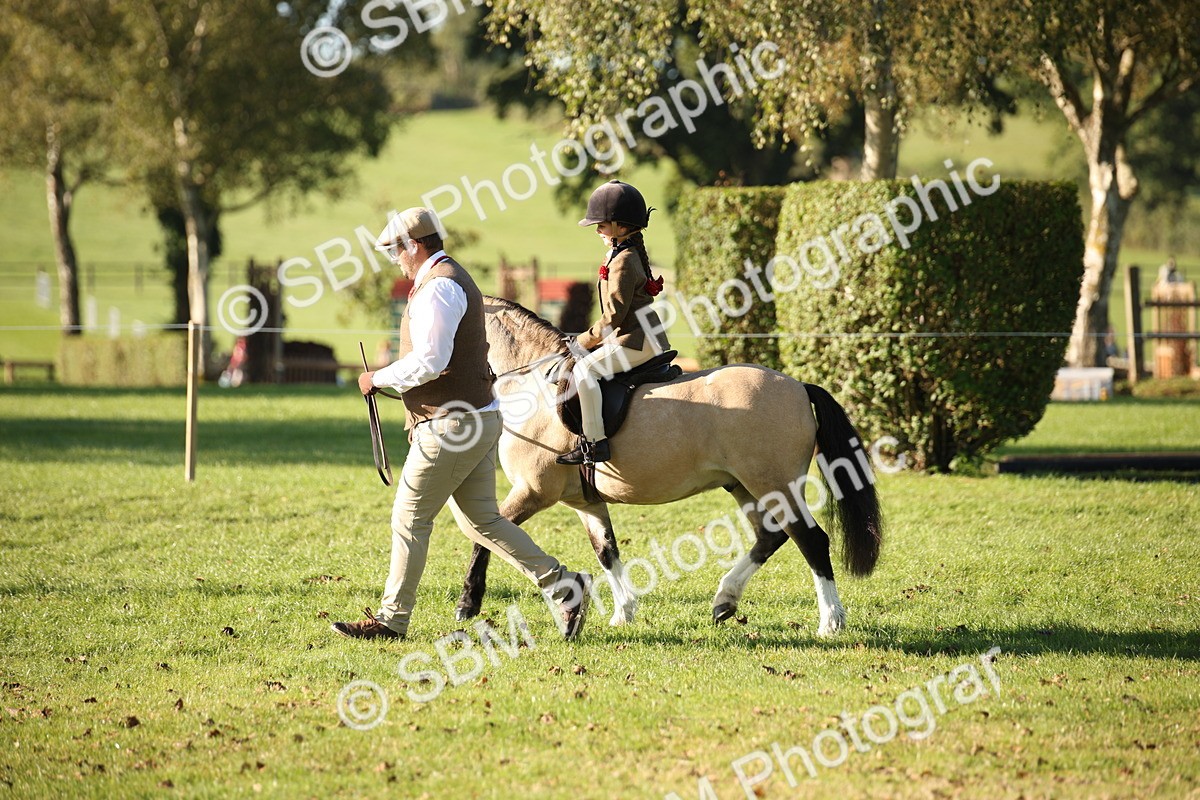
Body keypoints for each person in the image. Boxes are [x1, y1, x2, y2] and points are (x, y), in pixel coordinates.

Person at [332, 207, 591, 641]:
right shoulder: (448, 279)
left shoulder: (438, 289)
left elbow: (431, 361)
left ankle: (391, 621)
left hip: (450, 425)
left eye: (397, 250)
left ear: (415, 245)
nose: (396, 258)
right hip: (475, 419)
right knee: (483, 521)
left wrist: (377, 378)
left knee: (409, 519)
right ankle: (565, 586)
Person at [556, 180, 672, 466]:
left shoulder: (623, 261)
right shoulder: (625, 253)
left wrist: (582, 341)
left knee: (585, 371)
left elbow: (613, 317)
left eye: (601, 225)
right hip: (638, 334)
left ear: (621, 227)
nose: (597, 230)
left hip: (636, 340)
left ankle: (595, 444)